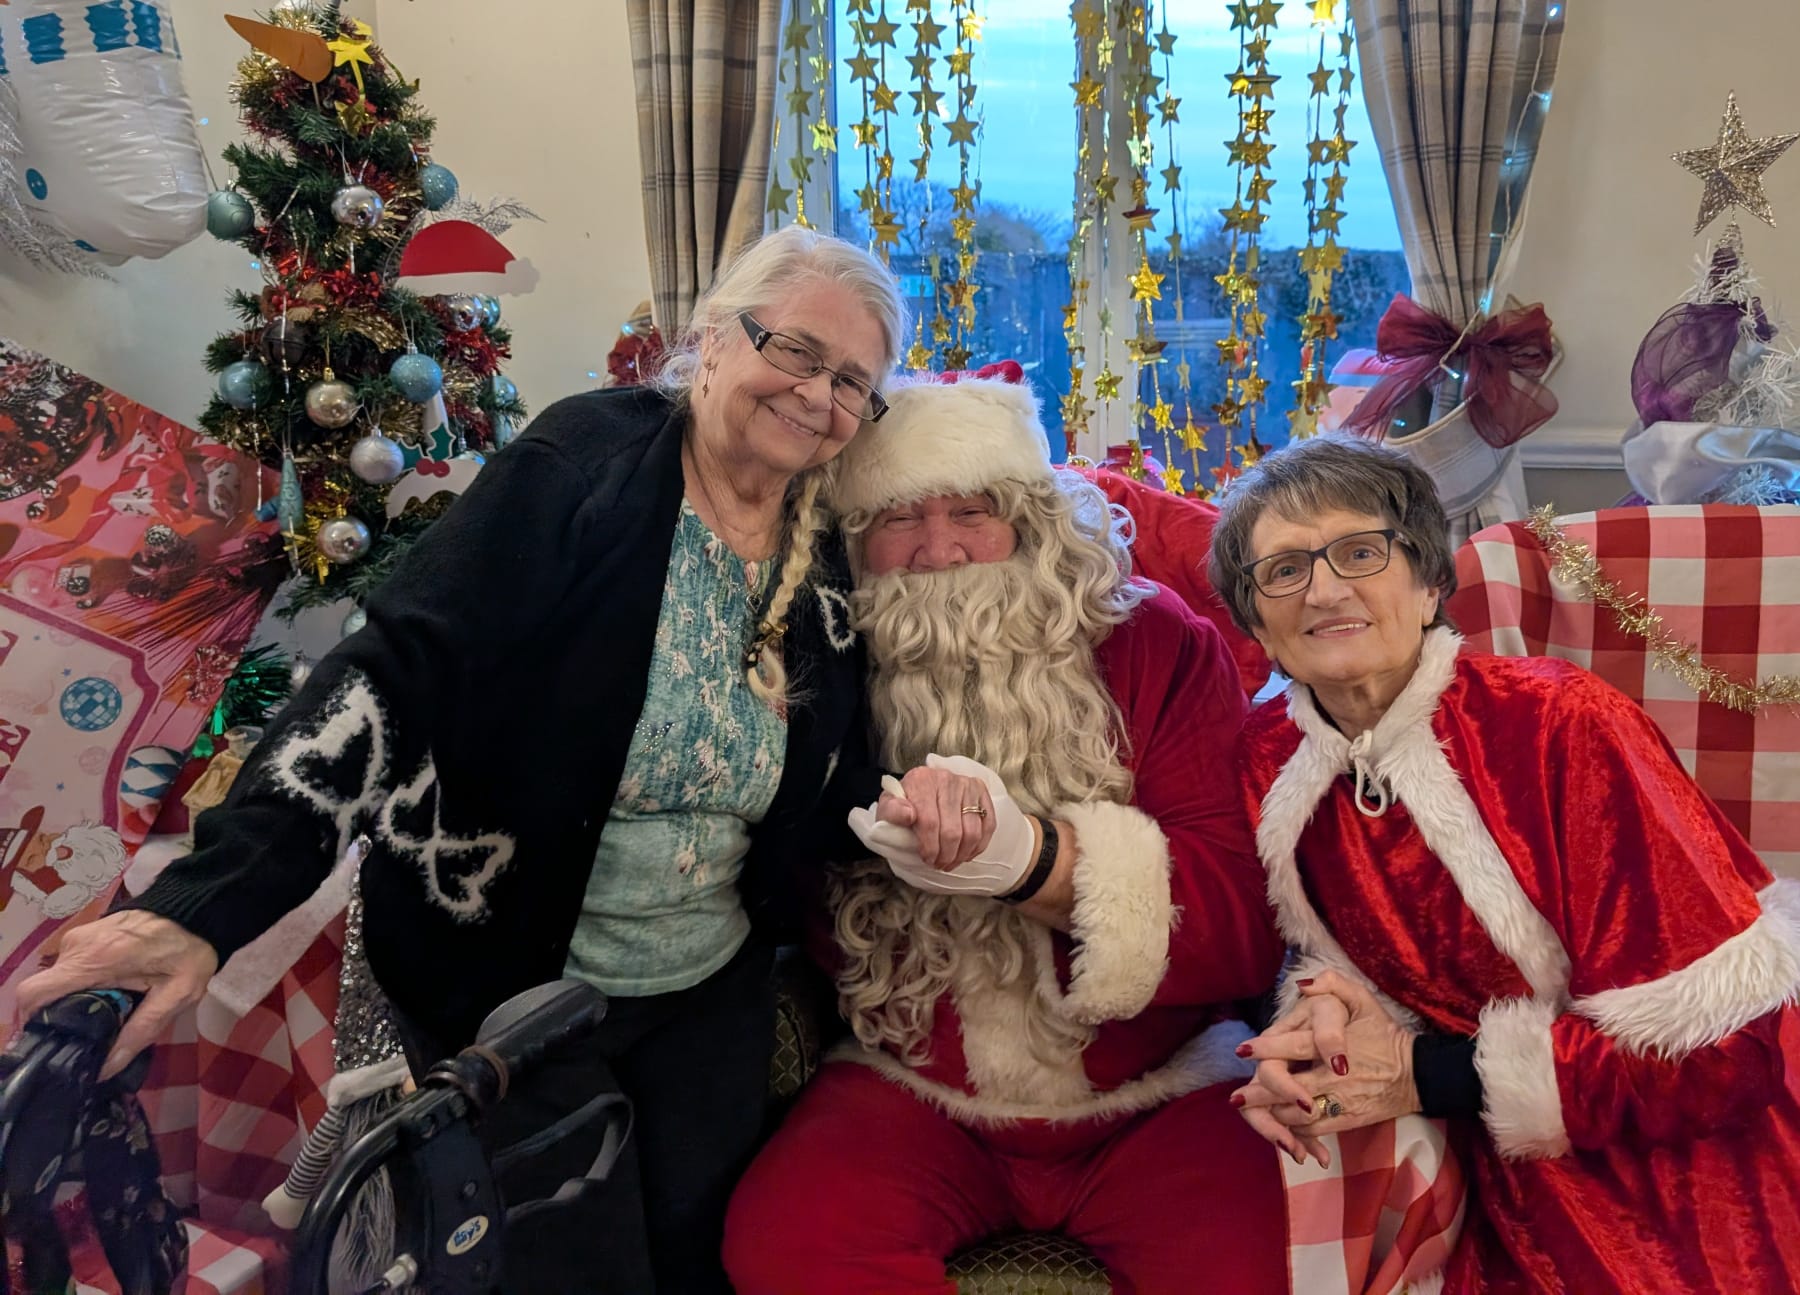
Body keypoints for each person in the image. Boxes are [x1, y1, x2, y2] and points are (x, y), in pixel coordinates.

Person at [16, 226, 1000, 1293]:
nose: (817, 395)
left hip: (705, 990)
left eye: (852, 381)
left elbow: (825, 773)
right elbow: (396, 670)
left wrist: (922, 796)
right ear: (717, 338)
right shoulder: (588, 463)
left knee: (699, 1260)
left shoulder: (827, 551)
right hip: (513, 987)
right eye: (796, 350)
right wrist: (206, 902)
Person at [724, 373, 1294, 1294]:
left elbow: (1242, 921)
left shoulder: (1155, 640)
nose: (940, 552)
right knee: (784, 1244)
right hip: (915, 1091)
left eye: (972, 512)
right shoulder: (823, 664)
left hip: (1157, 1091)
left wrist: (1034, 860)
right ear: (854, 542)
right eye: (899, 520)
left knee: (1260, 1265)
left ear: (1031, 520)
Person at [1210, 433, 1800, 1293]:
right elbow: (1293, 952)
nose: (1325, 589)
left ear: (1427, 582)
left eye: (1361, 552)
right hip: (1464, 1161)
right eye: (1284, 569)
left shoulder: (1562, 723)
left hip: (1672, 1170)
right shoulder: (1264, 757)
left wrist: (1422, 1075)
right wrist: (1311, 1023)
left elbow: (1726, 1050)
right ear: (1256, 621)